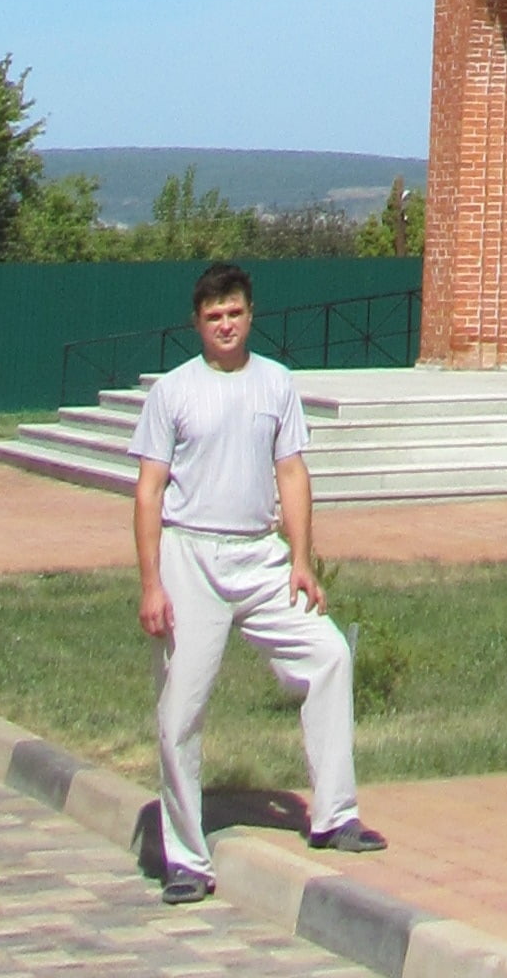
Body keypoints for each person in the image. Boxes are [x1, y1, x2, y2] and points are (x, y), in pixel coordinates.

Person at [131, 262, 387, 904]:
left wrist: (302, 560)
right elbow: (149, 490)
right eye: (213, 316)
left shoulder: (275, 383)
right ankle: (186, 860)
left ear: (251, 316)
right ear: (197, 323)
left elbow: (292, 472)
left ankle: (335, 816)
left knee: (329, 654)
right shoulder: (173, 392)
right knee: (181, 710)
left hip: (260, 557)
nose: (225, 324)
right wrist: (152, 584)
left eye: (235, 313)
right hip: (190, 557)